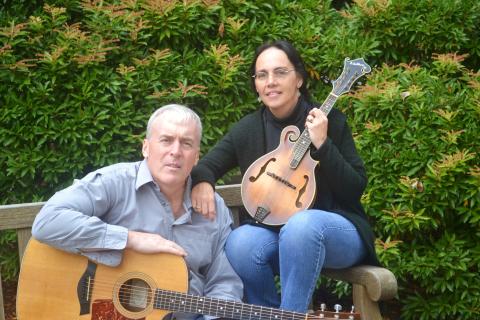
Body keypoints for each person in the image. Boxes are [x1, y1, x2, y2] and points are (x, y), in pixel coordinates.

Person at [190, 40, 380, 313]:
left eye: (281, 72)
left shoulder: (330, 120)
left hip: (337, 235)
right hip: (278, 237)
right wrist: (203, 183)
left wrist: (324, 145)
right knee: (240, 243)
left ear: (299, 79)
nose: (271, 82)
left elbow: (354, 188)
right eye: (262, 75)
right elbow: (205, 166)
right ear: (255, 84)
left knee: (302, 226)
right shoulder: (247, 130)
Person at [32, 104, 243, 320]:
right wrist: (130, 239)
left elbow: (224, 282)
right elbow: (48, 221)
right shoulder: (115, 183)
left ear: (196, 157)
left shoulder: (212, 208)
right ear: (146, 148)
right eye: (166, 140)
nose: (176, 151)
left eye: (186, 143)